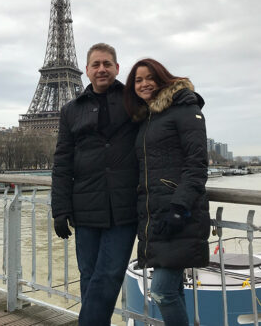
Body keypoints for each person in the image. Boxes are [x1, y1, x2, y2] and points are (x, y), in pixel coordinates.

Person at [51, 43, 139, 326]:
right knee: (89, 276)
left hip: (123, 208)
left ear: (117, 68)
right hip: (86, 207)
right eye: (96, 64)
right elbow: (62, 162)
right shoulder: (70, 111)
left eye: (107, 64)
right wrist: (59, 209)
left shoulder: (134, 101)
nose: (102, 69)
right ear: (86, 70)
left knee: (109, 274)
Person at [124, 58, 210, 326]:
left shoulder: (184, 108)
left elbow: (196, 163)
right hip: (155, 214)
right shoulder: (148, 118)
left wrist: (179, 207)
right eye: (138, 80)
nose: (144, 83)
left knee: (161, 291)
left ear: (162, 79)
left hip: (178, 214)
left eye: (150, 78)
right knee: (171, 291)